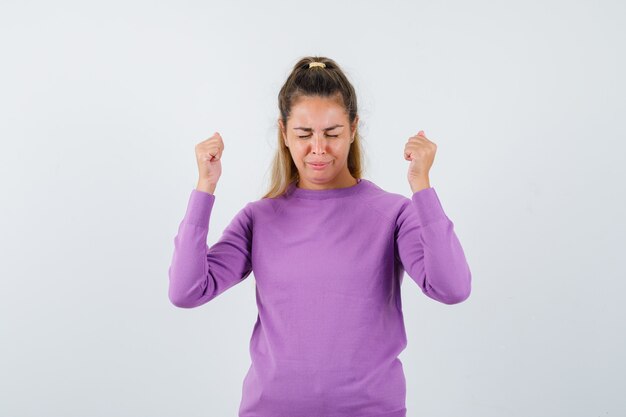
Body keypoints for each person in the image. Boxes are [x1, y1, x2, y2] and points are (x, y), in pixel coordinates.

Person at [168, 56, 472, 417]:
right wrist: (206, 186)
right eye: (303, 134)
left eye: (332, 133)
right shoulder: (259, 217)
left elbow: (452, 288)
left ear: (353, 128)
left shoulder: (392, 213)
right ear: (283, 132)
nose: (318, 149)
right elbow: (186, 291)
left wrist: (421, 185)